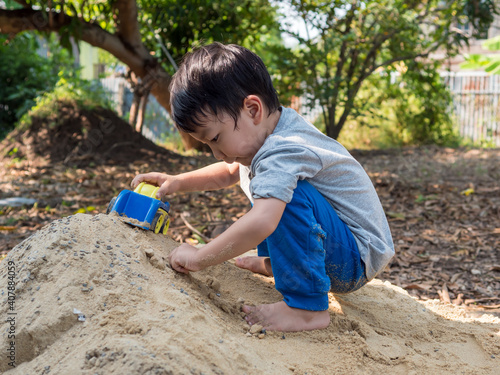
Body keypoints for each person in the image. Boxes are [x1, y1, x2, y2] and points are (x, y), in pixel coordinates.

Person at [131, 42, 394, 332]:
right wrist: (178, 181)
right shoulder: (268, 131)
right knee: (273, 191)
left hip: (355, 257)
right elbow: (230, 170)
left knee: (283, 198)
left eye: (215, 138)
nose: (216, 153)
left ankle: (305, 308)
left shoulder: (283, 150)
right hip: (340, 247)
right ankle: (278, 263)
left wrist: (199, 257)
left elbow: (264, 221)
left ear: (252, 109)